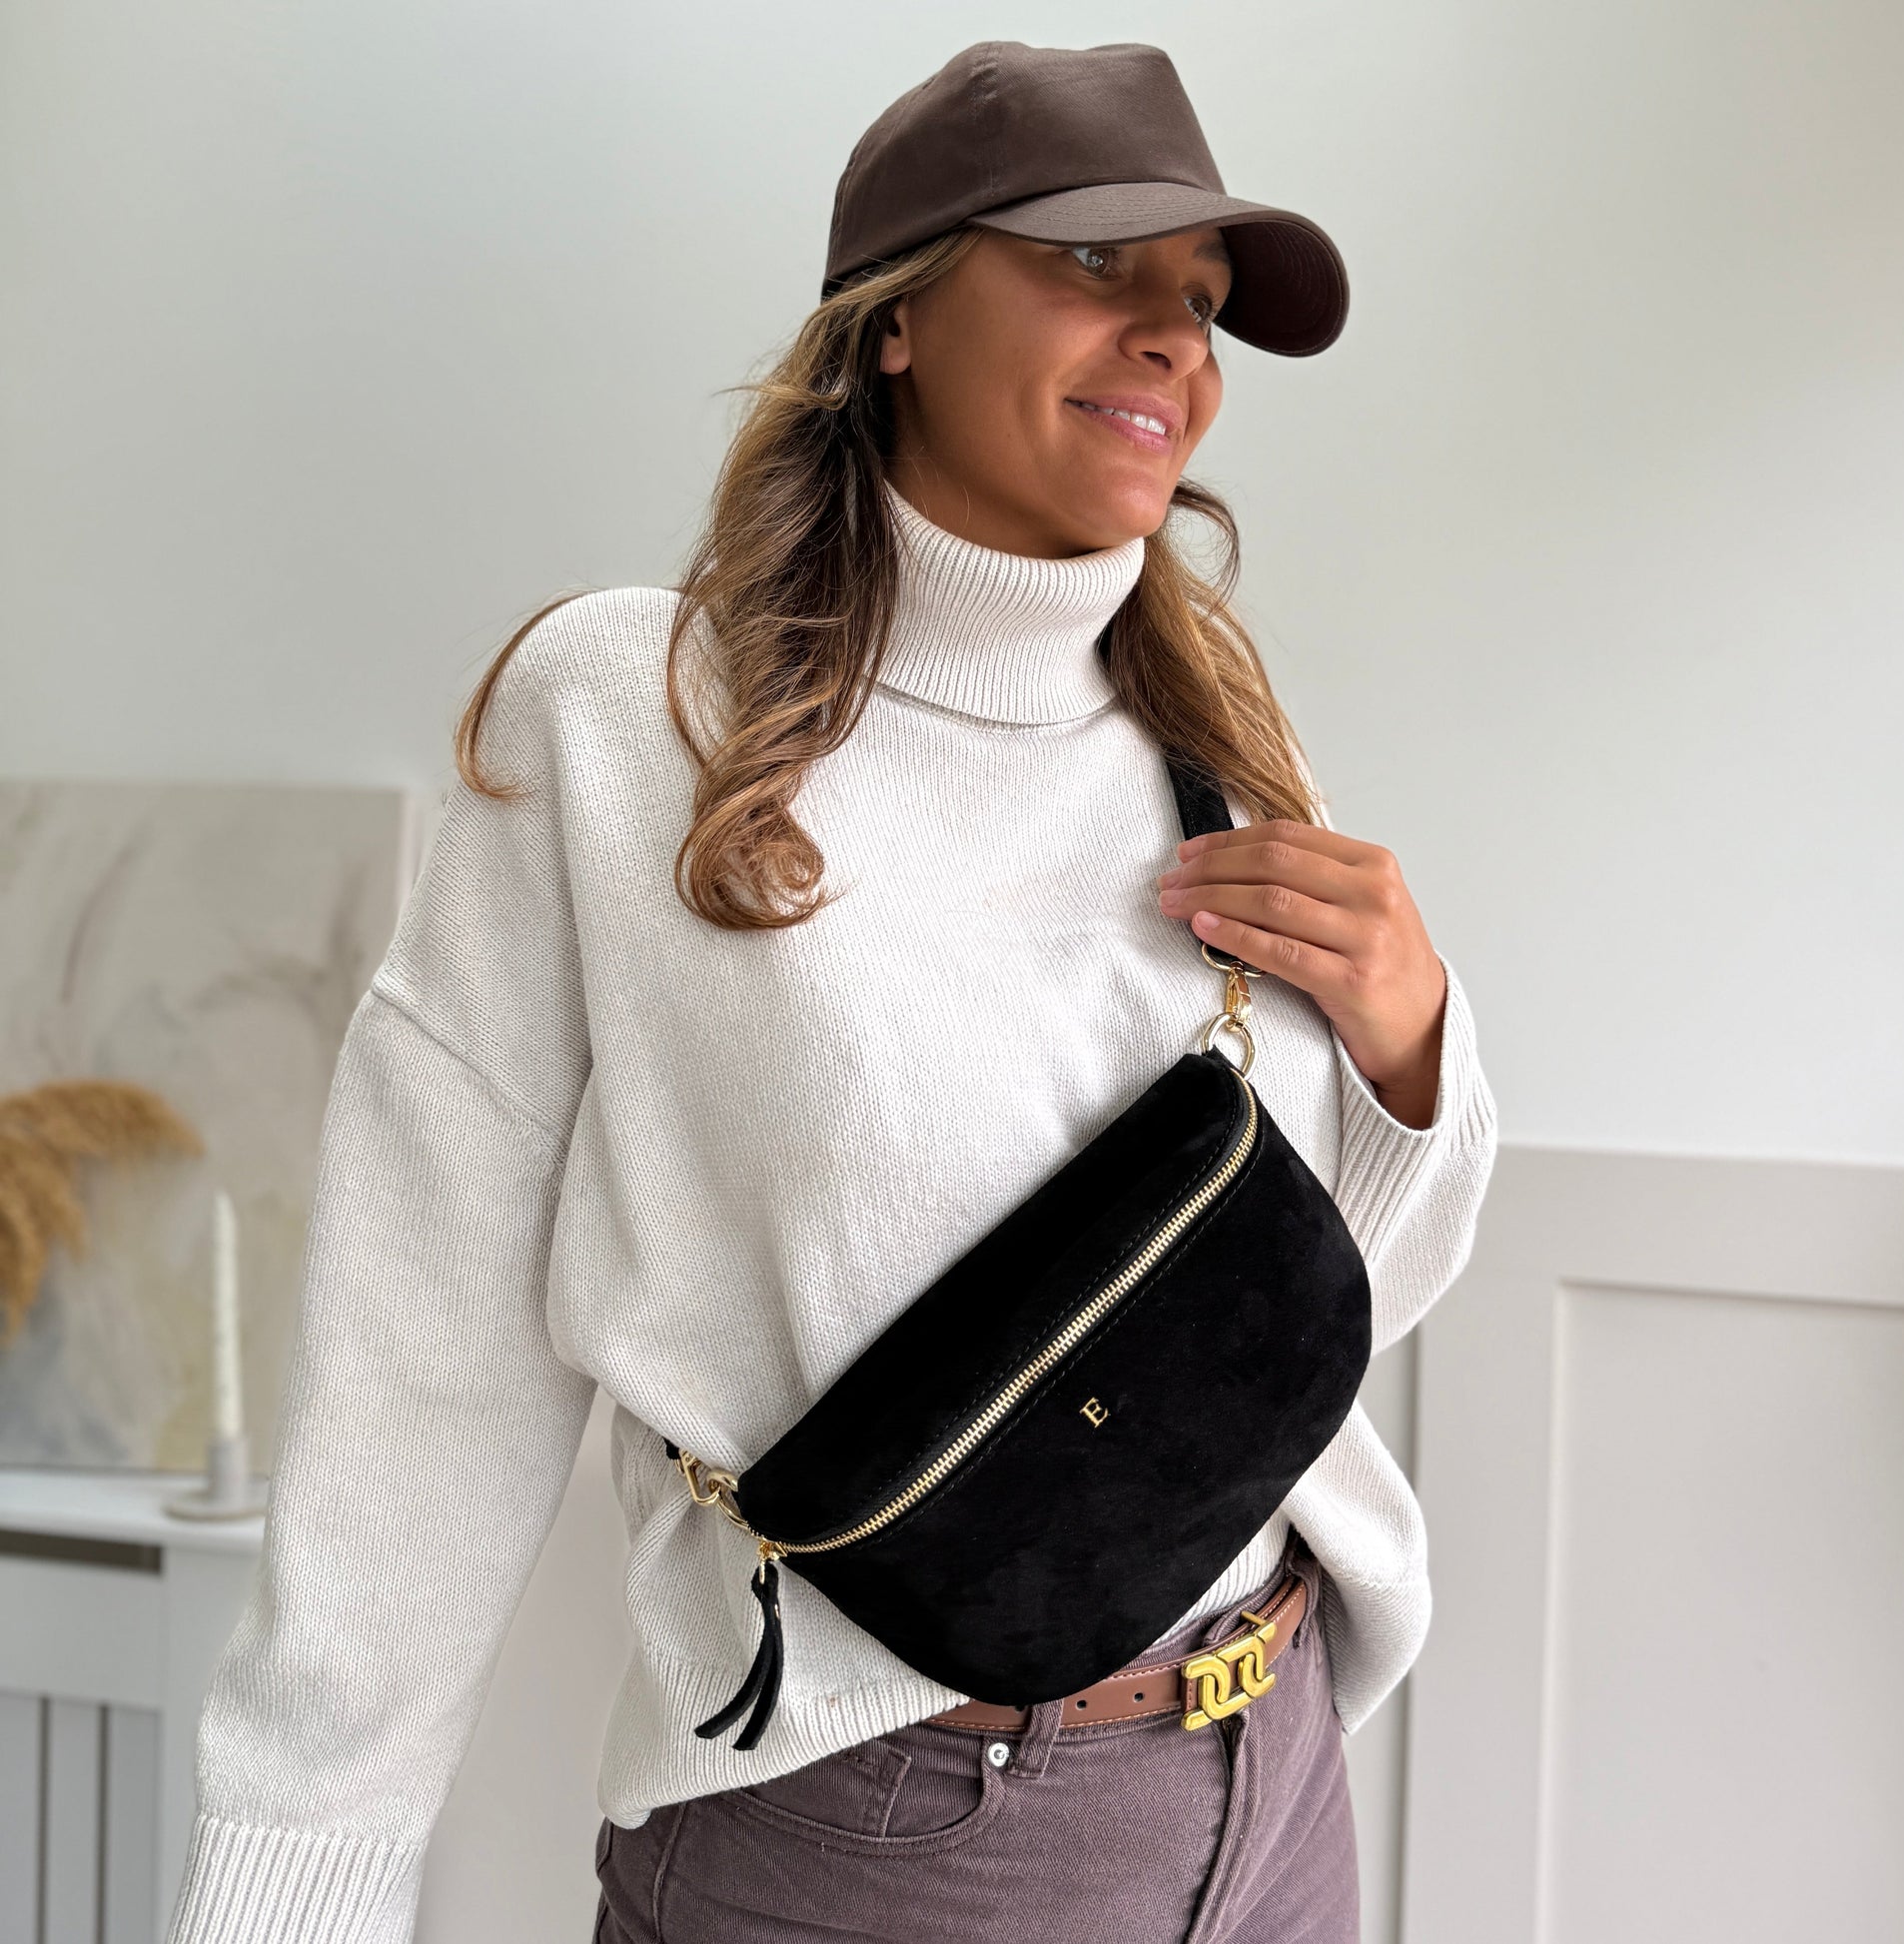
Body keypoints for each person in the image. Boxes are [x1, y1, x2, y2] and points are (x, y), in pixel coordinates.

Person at [167, 40, 1496, 1944]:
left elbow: (1314, 1295)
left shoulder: (1214, 739)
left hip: (1271, 1765)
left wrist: (1413, 1052)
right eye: (1096, 267)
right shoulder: (636, 719)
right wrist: (297, 1876)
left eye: (1198, 306)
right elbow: (427, 1350)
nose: (1172, 346)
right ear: (894, 319)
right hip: (890, 1833)